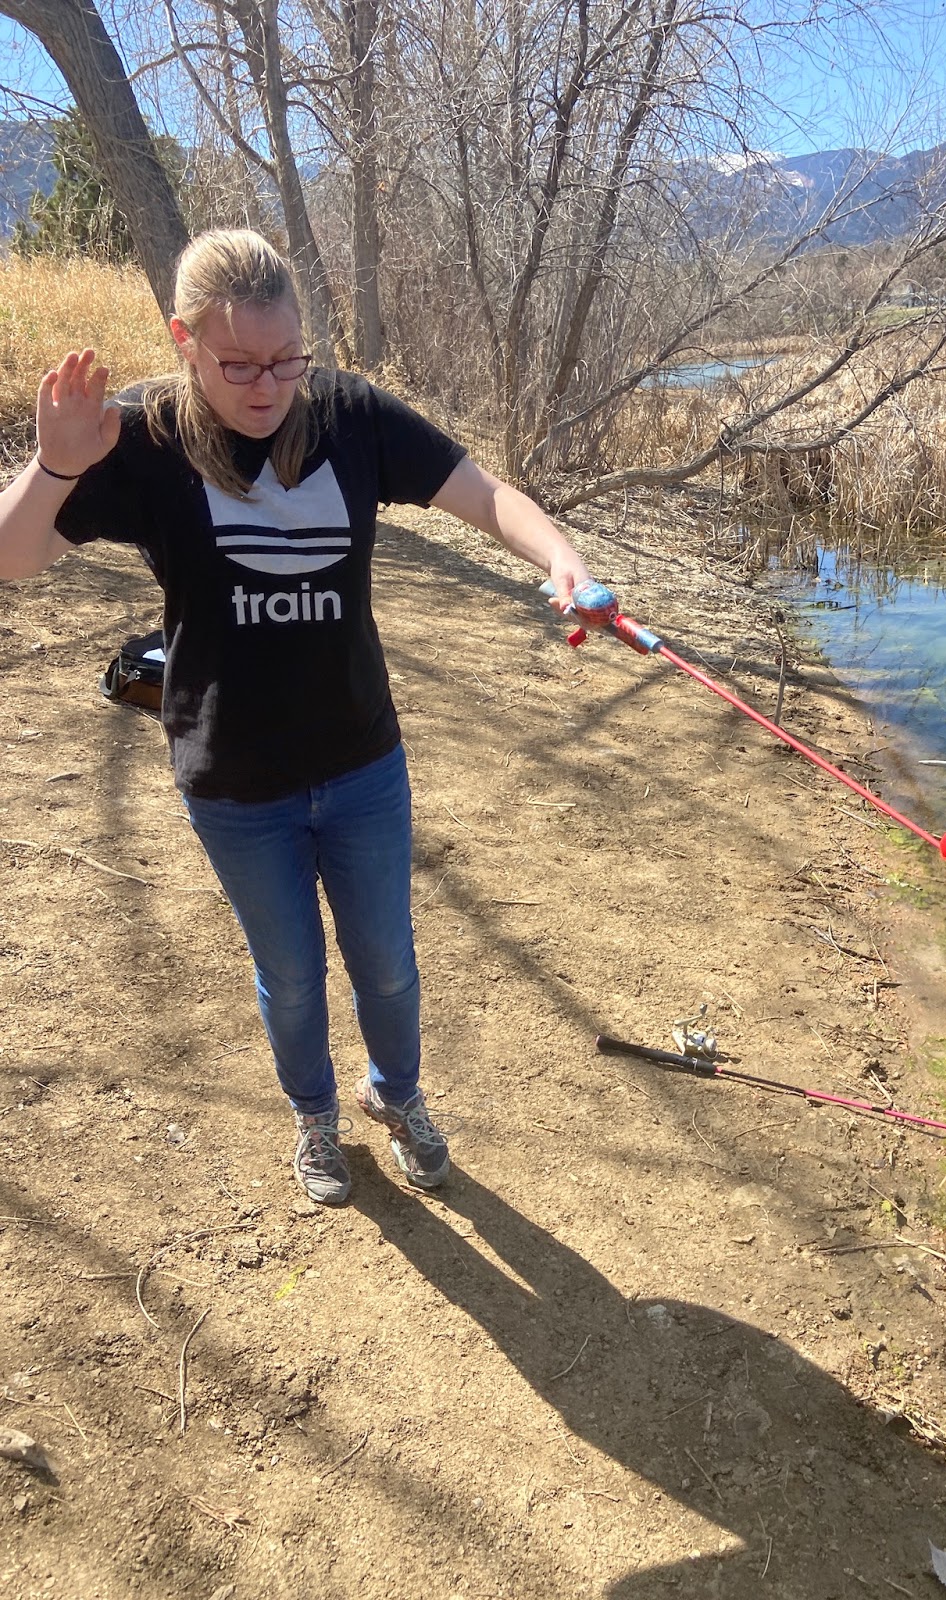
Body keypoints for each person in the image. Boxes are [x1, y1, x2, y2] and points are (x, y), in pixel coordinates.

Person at [0, 228, 593, 1206]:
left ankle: (396, 1093)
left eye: (286, 359)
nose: (268, 386)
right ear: (184, 340)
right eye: (238, 364)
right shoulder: (142, 436)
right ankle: (314, 1114)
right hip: (234, 782)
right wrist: (55, 467)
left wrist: (561, 559)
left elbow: (480, 493)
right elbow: (13, 555)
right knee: (292, 973)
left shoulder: (348, 416)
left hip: (361, 763)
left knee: (388, 965)